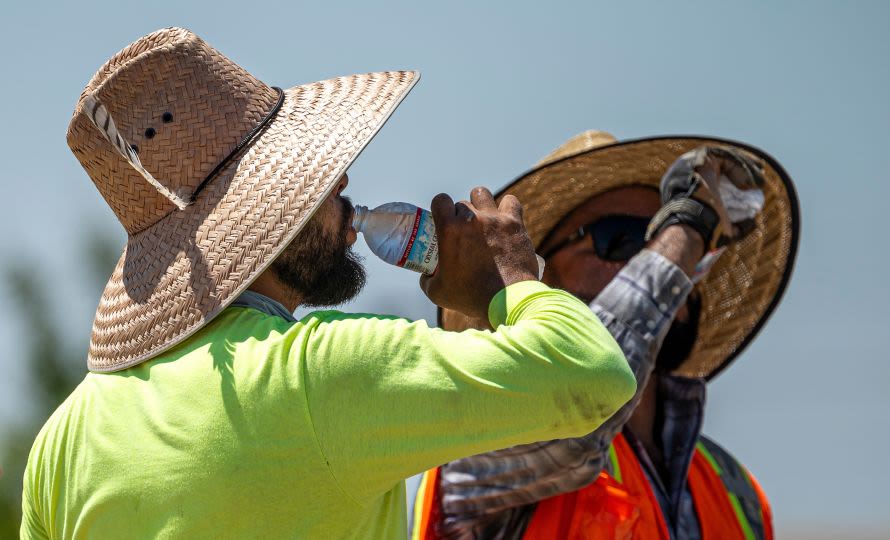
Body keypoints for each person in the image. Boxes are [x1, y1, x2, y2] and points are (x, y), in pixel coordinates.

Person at [19, 30, 644, 539]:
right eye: (315, 174)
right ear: (262, 211)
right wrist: (506, 278)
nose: (343, 181)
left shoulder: (63, 442)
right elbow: (594, 375)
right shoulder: (318, 374)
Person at [412, 131, 800, 540]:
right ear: (543, 282)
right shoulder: (483, 434)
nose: (662, 254)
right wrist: (690, 224)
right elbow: (577, 408)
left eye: (661, 237)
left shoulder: (737, 491)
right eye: (620, 238)